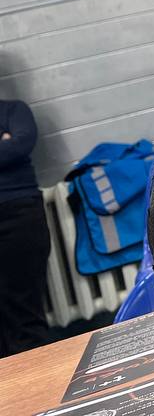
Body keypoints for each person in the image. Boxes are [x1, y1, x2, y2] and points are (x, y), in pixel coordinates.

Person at [0, 98, 50, 357]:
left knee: (25, 315)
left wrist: (12, 144)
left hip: (19, 214)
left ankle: (39, 379)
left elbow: (21, 145)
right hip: (19, 207)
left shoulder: (13, 109)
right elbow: (11, 149)